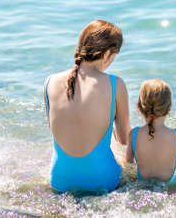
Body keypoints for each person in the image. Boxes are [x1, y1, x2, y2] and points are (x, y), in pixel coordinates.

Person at [44, 20, 130, 193]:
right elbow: (124, 139)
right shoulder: (115, 84)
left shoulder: (49, 82)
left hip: (59, 181)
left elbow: (56, 128)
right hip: (102, 181)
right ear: (107, 53)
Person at [126, 79, 176, 185]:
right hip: (170, 184)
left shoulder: (134, 134)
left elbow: (128, 162)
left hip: (143, 184)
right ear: (169, 107)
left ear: (139, 107)